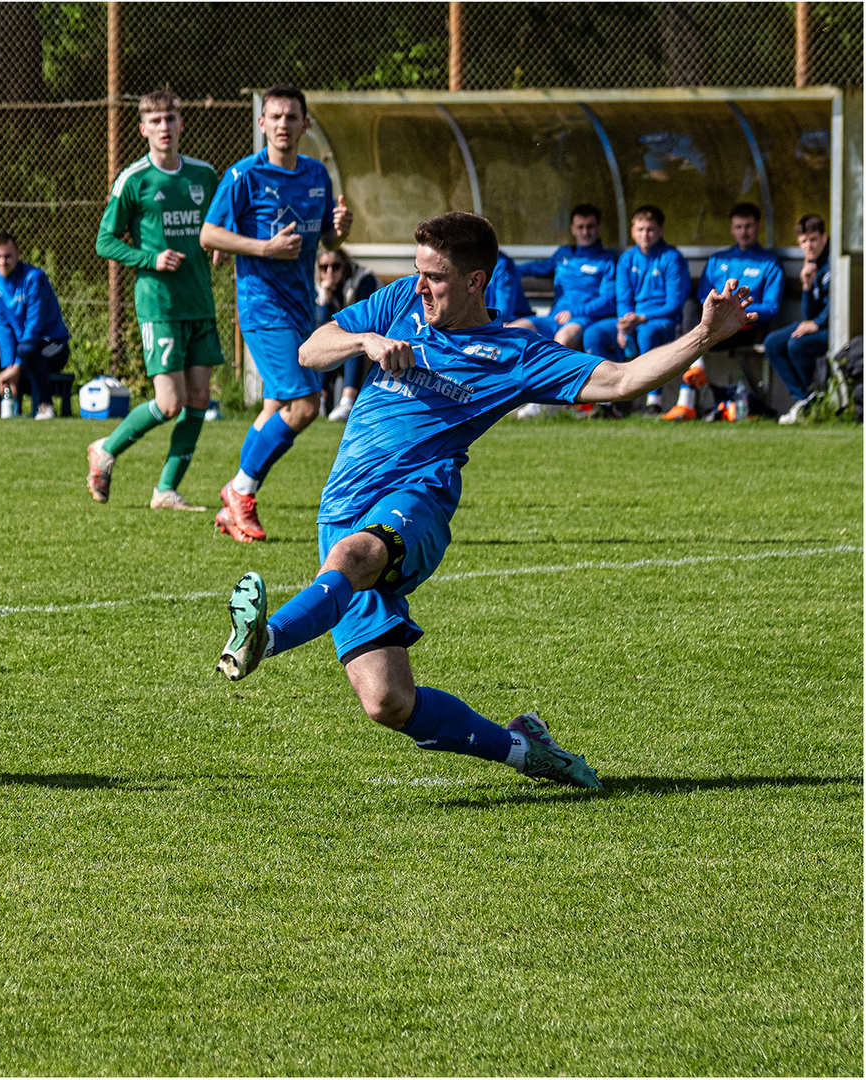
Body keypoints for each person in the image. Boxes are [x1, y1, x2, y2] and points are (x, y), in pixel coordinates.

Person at [214, 211, 754, 789]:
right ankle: (526, 748)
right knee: (388, 701)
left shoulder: (515, 355)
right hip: (341, 505)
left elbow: (621, 379)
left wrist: (703, 336)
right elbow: (311, 352)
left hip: (416, 496)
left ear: (475, 282)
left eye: (436, 277)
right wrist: (364, 341)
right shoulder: (399, 301)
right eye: (418, 272)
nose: (421, 286)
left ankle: (263, 640)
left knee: (354, 556)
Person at [200, 84, 353, 542]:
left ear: (305, 124)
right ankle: (240, 492)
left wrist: (340, 231)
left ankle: (235, 503)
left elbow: (328, 240)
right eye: (276, 117)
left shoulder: (316, 176)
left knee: (275, 407)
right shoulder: (243, 176)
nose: (284, 125)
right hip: (262, 307)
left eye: (292, 117)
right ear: (261, 123)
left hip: (301, 305)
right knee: (307, 405)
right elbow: (210, 234)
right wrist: (263, 247)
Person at [86, 88, 223, 510]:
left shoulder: (203, 175)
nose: (165, 127)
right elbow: (105, 241)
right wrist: (151, 257)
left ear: (182, 123)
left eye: (171, 118)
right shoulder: (134, 179)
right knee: (169, 403)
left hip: (199, 301)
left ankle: (165, 490)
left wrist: (218, 243)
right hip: (159, 306)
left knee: (200, 398)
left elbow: (220, 222)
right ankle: (105, 449)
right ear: (143, 128)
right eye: (156, 121)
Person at [583, 205, 691, 418]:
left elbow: (676, 303)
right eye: (640, 229)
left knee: (647, 333)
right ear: (632, 231)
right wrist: (623, 324)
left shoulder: (672, 257)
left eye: (650, 230)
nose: (645, 235)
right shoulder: (627, 258)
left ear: (661, 230)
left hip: (662, 320)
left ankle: (654, 403)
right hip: (632, 319)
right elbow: (623, 298)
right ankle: (605, 402)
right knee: (593, 333)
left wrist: (642, 318)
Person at [510, 203, 616, 418]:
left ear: (599, 228)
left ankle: (544, 402)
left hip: (583, 319)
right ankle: (505, 395)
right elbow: (537, 267)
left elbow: (608, 300)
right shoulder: (564, 255)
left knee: (562, 339)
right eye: (581, 227)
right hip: (554, 317)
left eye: (590, 226)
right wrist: (505, 267)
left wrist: (576, 310)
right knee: (513, 331)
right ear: (572, 229)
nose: (586, 232)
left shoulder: (607, 261)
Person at [679, 201, 785, 412]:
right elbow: (702, 299)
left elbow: (772, 308)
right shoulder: (718, 260)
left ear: (759, 226)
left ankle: (686, 401)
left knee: (685, 336)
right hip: (715, 325)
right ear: (731, 229)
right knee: (690, 308)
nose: (743, 232)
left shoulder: (769, 263)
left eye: (748, 226)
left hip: (745, 327)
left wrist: (736, 308)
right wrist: (721, 309)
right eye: (738, 227)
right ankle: (695, 374)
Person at [0, 233, 71, 421]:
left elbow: (34, 328)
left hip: (51, 345)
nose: (2, 262)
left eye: (7, 256)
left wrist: (15, 368)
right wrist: (9, 366)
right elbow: (2, 326)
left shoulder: (35, 278)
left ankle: (45, 405)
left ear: (18, 254)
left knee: (27, 349)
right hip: (21, 347)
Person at [765, 215, 832, 424]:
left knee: (797, 344)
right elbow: (808, 314)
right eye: (804, 241)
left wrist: (817, 323)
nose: (809, 246)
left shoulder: (832, 263)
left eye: (813, 239)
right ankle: (805, 399)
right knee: (772, 343)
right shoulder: (810, 266)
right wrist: (806, 286)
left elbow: (836, 304)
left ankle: (813, 400)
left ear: (824, 238)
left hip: (833, 327)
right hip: (818, 323)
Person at [316, 250, 380, 422]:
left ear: (344, 266)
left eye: (335, 266)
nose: (329, 272)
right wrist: (325, 299)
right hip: (341, 338)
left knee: (354, 339)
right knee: (322, 342)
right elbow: (323, 326)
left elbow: (363, 320)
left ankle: (348, 400)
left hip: (374, 337)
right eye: (324, 267)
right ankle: (320, 399)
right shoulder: (319, 285)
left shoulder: (363, 280)